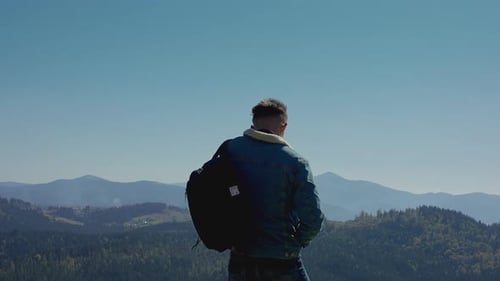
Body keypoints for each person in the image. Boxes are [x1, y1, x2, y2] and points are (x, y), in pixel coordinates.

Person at [224, 98, 325, 281]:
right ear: (283, 126)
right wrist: (298, 241)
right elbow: (313, 218)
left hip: (240, 256)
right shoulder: (295, 162)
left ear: (253, 124)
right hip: (281, 258)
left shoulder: (229, 150)